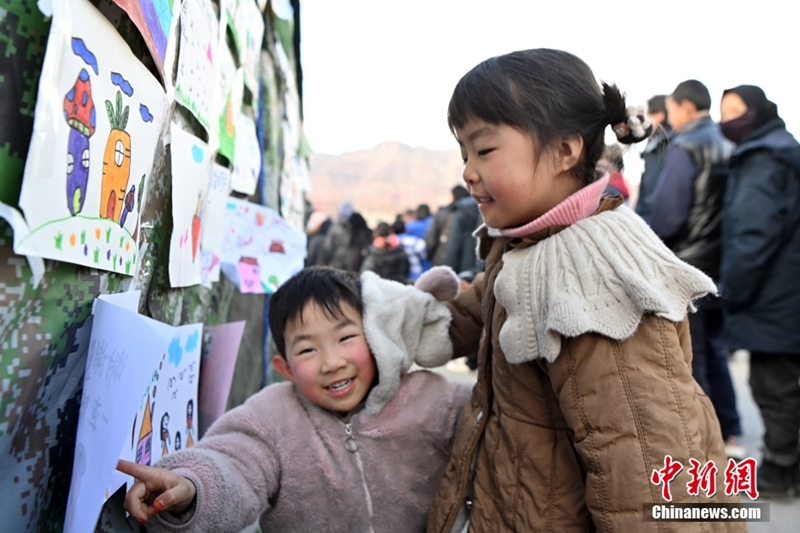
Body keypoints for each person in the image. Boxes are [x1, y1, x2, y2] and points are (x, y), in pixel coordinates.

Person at [423, 49, 742, 533]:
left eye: (484, 150)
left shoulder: (595, 279)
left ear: (566, 151)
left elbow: (644, 462)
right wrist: (389, 321)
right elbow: (487, 305)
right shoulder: (538, 245)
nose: (468, 170)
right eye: (464, 152)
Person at [117, 266, 470, 532]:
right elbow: (233, 463)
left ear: (375, 335)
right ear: (285, 368)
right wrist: (191, 486)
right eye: (308, 349)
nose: (332, 362)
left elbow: (499, 420)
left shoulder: (433, 398)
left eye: (346, 338)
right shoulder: (272, 417)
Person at [648, 80, 743, 458]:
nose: (670, 118)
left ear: (686, 107)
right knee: (714, 351)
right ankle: (731, 433)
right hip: (721, 262)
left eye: (671, 110)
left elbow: (668, 215)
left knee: (692, 356)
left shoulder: (685, 145)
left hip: (689, 264)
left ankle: (705, 444)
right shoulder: (729, 142)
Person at [719, 85, 800, 496]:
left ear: (759, 111)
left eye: (736, 110)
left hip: (773, 295)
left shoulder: (762, 158)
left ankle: (780, 472)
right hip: (785, 289)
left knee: (774, 387)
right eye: (724, 110)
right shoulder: (781, 150)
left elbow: (753, 233)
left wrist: (731, 288)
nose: (728, 119)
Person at [635, 95, 672, 223]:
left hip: (652, 220)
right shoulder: (666, 141)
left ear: (660, 115)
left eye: (648, 113)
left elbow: (651, 190)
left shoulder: (661, 144)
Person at [426, 185, 470, 267]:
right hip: (466, 266)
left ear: (453, 196)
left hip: (441, 261)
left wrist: (430, 257)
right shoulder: (474, 214)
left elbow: (430, 241)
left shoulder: (443, 214)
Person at [393, 217, 427, 282]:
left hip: (397, 277)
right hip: (415, 275)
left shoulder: (391, 243)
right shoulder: (414, 241)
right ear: (405, 230)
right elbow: (424, 255)